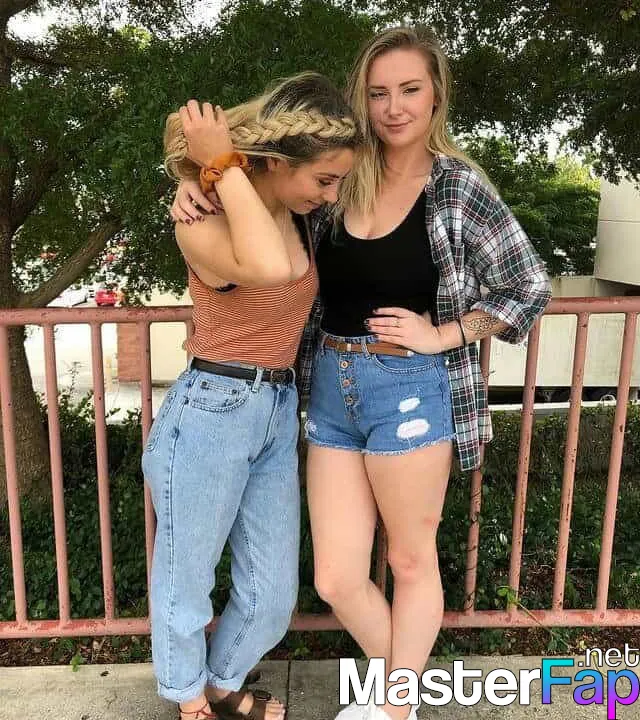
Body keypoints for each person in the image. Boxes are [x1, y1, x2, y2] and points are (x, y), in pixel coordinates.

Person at [171, 26, 552, 720]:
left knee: (409, 561)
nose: (394, 107)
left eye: (409, 89)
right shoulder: (339, 176)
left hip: (411, 389)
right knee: (337, 577)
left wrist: (444, 333)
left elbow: (527, 286)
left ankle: (395, 707)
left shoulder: (457, 187)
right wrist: (194, 185)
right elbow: (269, 194)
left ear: (436, 96)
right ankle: (408, 687)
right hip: (330, 388)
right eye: (378, 93)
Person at [143, 71, 358, 720]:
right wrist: (215, 169)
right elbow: (267, 268)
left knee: (271, 591)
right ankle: (189, 701)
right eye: (325, 179)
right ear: (276, 162)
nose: (332, 194)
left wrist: (206, 169)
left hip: (275, 410)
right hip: (210, 410)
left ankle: (220, 680)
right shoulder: (203, 218)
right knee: (185, 578)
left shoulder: (300, 216)